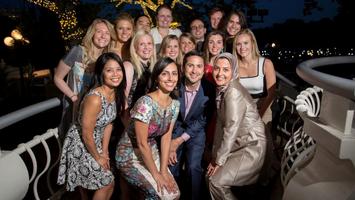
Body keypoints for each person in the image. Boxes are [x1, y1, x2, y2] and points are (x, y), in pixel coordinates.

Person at [57, 52, 127, 200]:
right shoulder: (95, 98)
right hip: (80, 144)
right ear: (101, 73)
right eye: (109, 70)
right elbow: (86, 134)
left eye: (118, 69)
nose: (115, 74)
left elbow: (109, 124)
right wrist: (98, 157)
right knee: (107, 183)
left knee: (108, 180)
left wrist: (105, 152)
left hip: (96, 142)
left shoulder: (115, 92)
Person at [116, 57, 181, 199]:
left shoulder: (175, 104)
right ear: (157, 78)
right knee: (156, 194)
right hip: (129, 156)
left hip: (151, 151)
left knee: (174, 195)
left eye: (174, 73)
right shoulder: (146, 103)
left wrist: (163, 170)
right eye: (165, 73)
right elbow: (141, 143)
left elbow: (166, 137)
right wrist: (156, 175)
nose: (170, 78)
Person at [206, 53, 267, 200]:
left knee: (215, 182)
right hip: (238, 144)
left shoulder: (232, 92)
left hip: (251, 146)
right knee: (210, 177)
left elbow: (231, 129)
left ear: (233, 71)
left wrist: (217, 161)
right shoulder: (222, 88)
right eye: (217, 69)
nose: (220, 74)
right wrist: (215, 158)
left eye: (226, 70)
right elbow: (222, 126)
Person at [54, 18, 116, 140]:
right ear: (92, 33)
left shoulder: (106, 58)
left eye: (107, 33)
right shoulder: (78, 51)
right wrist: (72, 96)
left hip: (96, 111)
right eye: (99, 31)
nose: (103, 35)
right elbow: (57, 77)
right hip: (74, 109)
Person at [168, 51, 215, 200]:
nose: (194, 71)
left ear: (204, 69)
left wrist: (179, 140)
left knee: (193, 167)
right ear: (183, 68)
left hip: (196, 131)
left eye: (198, 66)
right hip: (174, 129)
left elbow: (203, 120)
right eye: (190, 66)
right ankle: (171, 196)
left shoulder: (209, 89)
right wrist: (170, 142)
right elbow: (168, 117)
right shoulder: (173, 85)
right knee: (171, 166)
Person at [233, 28, 276, 125]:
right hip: (241, 108)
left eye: (245, 43)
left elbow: (271, 93)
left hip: (263, 106)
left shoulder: (266, 63)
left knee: (262, 138)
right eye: (238, 44)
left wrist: (259, 115)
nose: (242, 47)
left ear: (252, 43)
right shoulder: (234, 66)